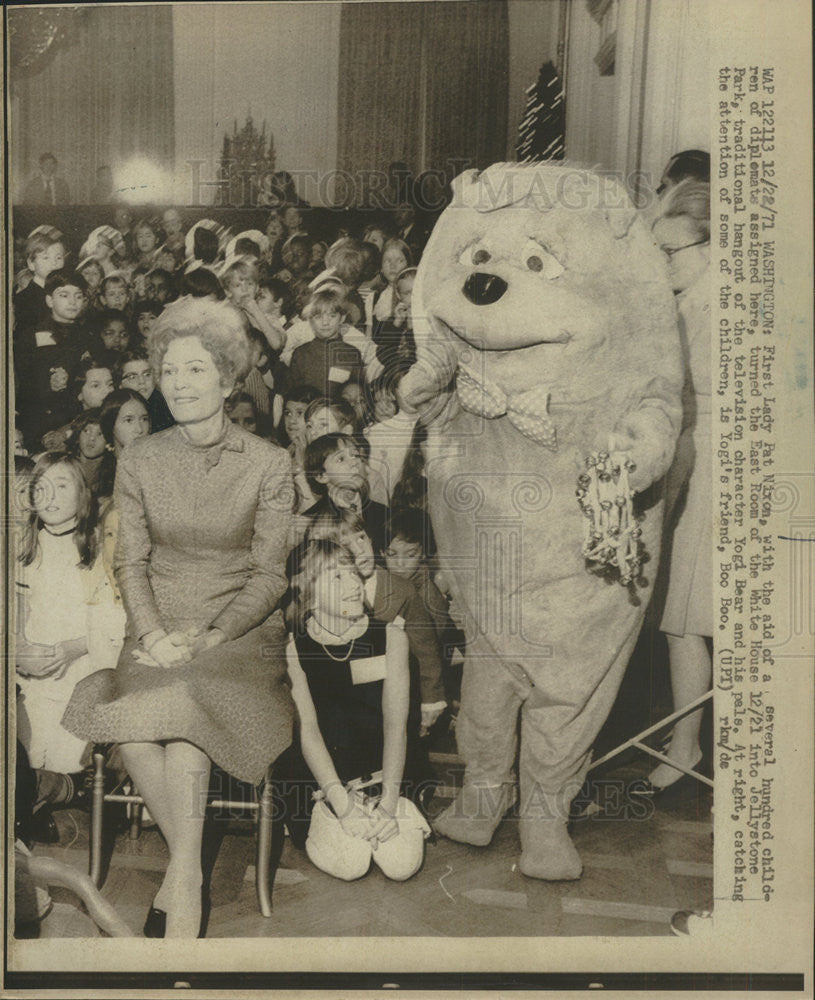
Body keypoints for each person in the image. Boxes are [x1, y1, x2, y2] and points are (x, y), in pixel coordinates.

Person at [62, 297, 295, 938]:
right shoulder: (139, 459)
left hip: (238, 629)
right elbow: (130, 564)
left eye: (195, 370)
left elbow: (272, 575)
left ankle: (180, 887)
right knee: (137, 728)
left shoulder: (270, 463)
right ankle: (188, 872)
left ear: (227, 378)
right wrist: (156, 632)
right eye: (169, 371)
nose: (179, 384)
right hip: (157, 619)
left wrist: (213, 634)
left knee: (187, 711)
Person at [274, 539, 430, 880]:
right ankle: (327, 816)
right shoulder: (294, 649)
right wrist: (343, 808)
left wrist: (388, 805)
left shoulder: (391, 637)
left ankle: (395, 808)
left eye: (354, 574)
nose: (354, 584)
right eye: (336, 577)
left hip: (387, 777)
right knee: (351, 864)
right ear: (307, 592)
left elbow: (396, 726)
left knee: (401, 867)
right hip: (324, 783)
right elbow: (309, 732)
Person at [642, 178, 712, 794]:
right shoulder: (695, 300)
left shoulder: (709, 307)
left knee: (687, 618)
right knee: (684, 616)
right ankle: (686, 739)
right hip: (699, 458)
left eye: (672, 254)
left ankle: (688, 746)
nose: (662, 266)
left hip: (715, 464)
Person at [15, 454, 102, 776]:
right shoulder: (27, 545)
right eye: (42, 487)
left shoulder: (97, 545)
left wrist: (74, 648)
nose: (50, 496)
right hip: (34, 679)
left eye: (62, 486)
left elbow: (111, 622)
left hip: (81, 673)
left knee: (65, 765)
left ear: (82, 493)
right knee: (29, 763)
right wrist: (19, 649)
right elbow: (19, 608)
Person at [288, 286, 364, 396]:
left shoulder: (352, 354)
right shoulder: (300, 354)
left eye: (332, 316)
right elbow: (292, 393)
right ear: (310, 321)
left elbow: (357, 393)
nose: (325, 323)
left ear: (342, 318)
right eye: (318, 317)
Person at [96, 388, 152, 503]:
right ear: (111, 425)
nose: (139, 429)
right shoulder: (100, 479)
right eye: (129, 420)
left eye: (144, 419)